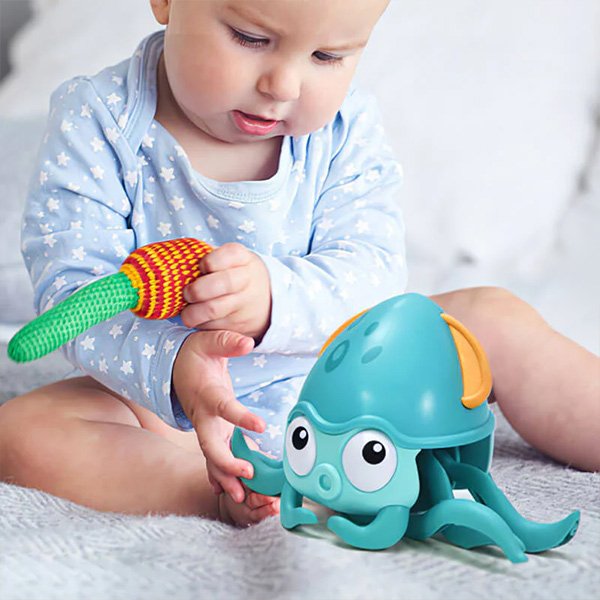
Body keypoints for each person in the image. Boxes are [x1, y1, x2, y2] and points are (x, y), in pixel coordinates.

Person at [0, 0, 598, 526]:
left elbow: (373, 272)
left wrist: (273, 298)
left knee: (491, 317)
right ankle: (228, 489)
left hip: (353, 377)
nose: (284, 84)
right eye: (250, 38)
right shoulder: (98, 120)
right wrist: (176, 363)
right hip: (184, 413)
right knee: (23, 434)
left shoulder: (343, 128)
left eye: (328, 56)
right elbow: (74, 294)